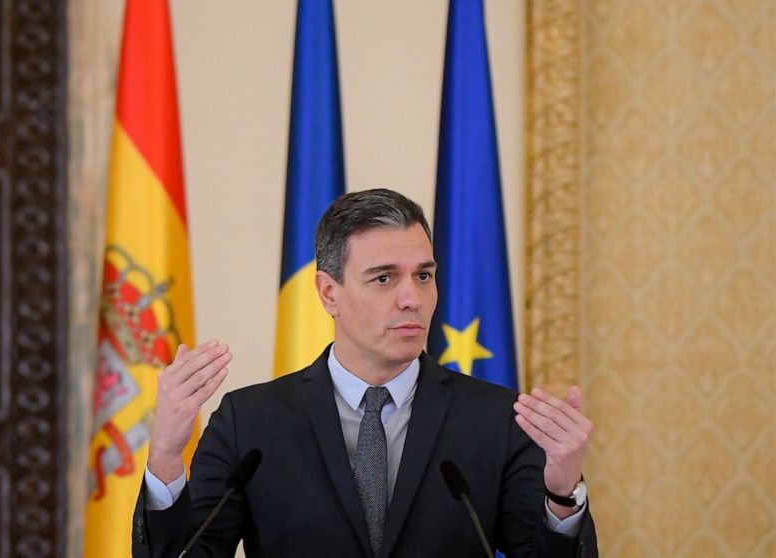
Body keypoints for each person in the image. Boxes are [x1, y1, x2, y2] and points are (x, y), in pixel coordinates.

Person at [132, 189, 597, 557]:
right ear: (328, 293)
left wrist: (562, 495)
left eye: (423, 276)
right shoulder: (249, 421)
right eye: (384, 278)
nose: (412, 298)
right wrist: (168, 456)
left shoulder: (494, 420)